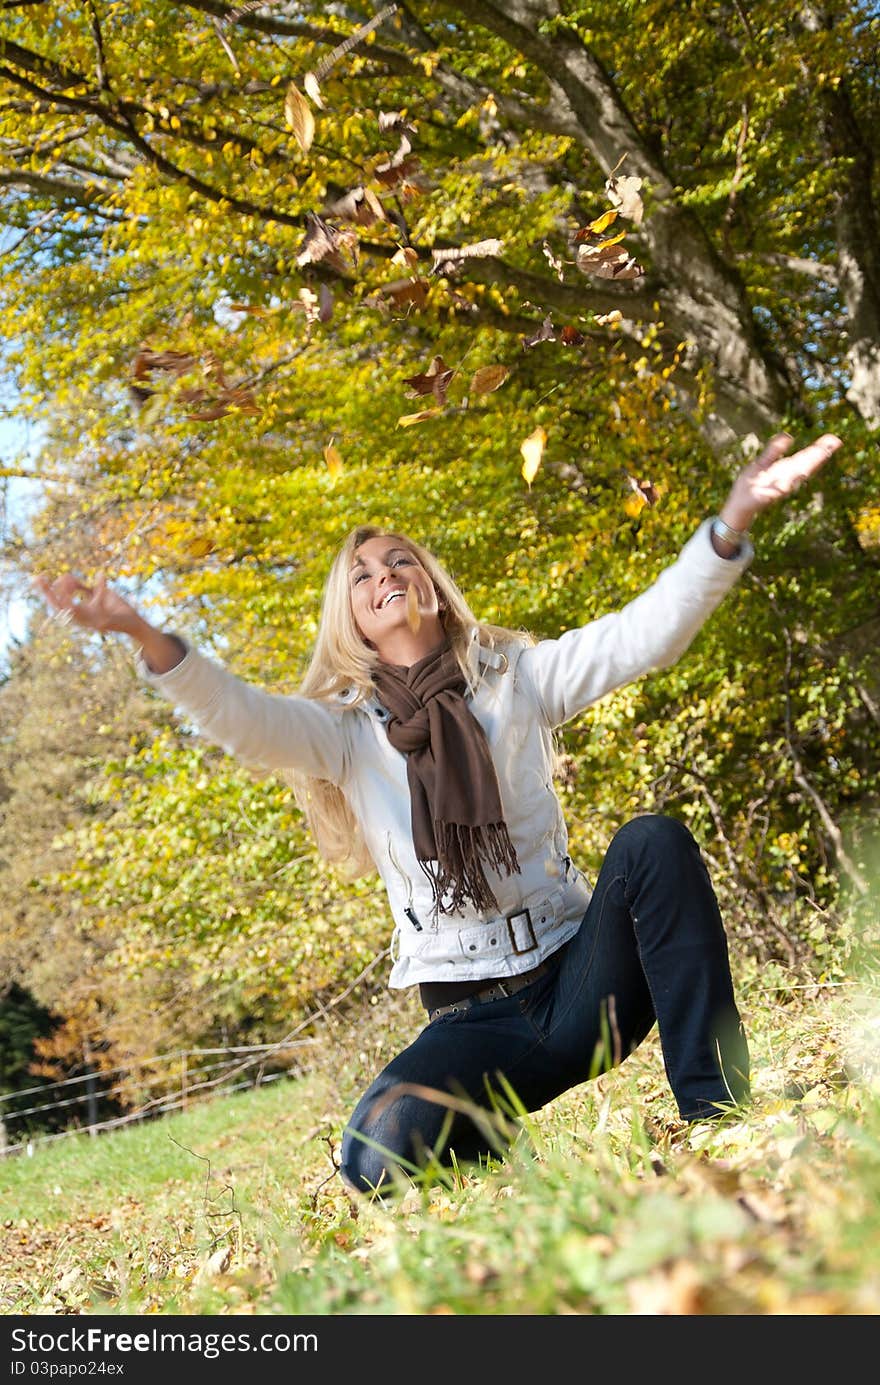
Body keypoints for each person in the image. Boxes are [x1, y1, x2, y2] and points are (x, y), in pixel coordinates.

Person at [33, 430, 842, 1195]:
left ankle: (720, 1118)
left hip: (579, 982)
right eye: (362, 574)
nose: (385, 574)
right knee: (375, 1154)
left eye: (400, 560)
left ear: (429, 582)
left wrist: (729, 525)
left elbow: (642, 637)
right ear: (348, 616)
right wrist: (139, 627)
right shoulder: (348, 733)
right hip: (473, 1017)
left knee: (653, 841)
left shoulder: (516, 677)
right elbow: (243, 718)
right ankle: (488, 1145)